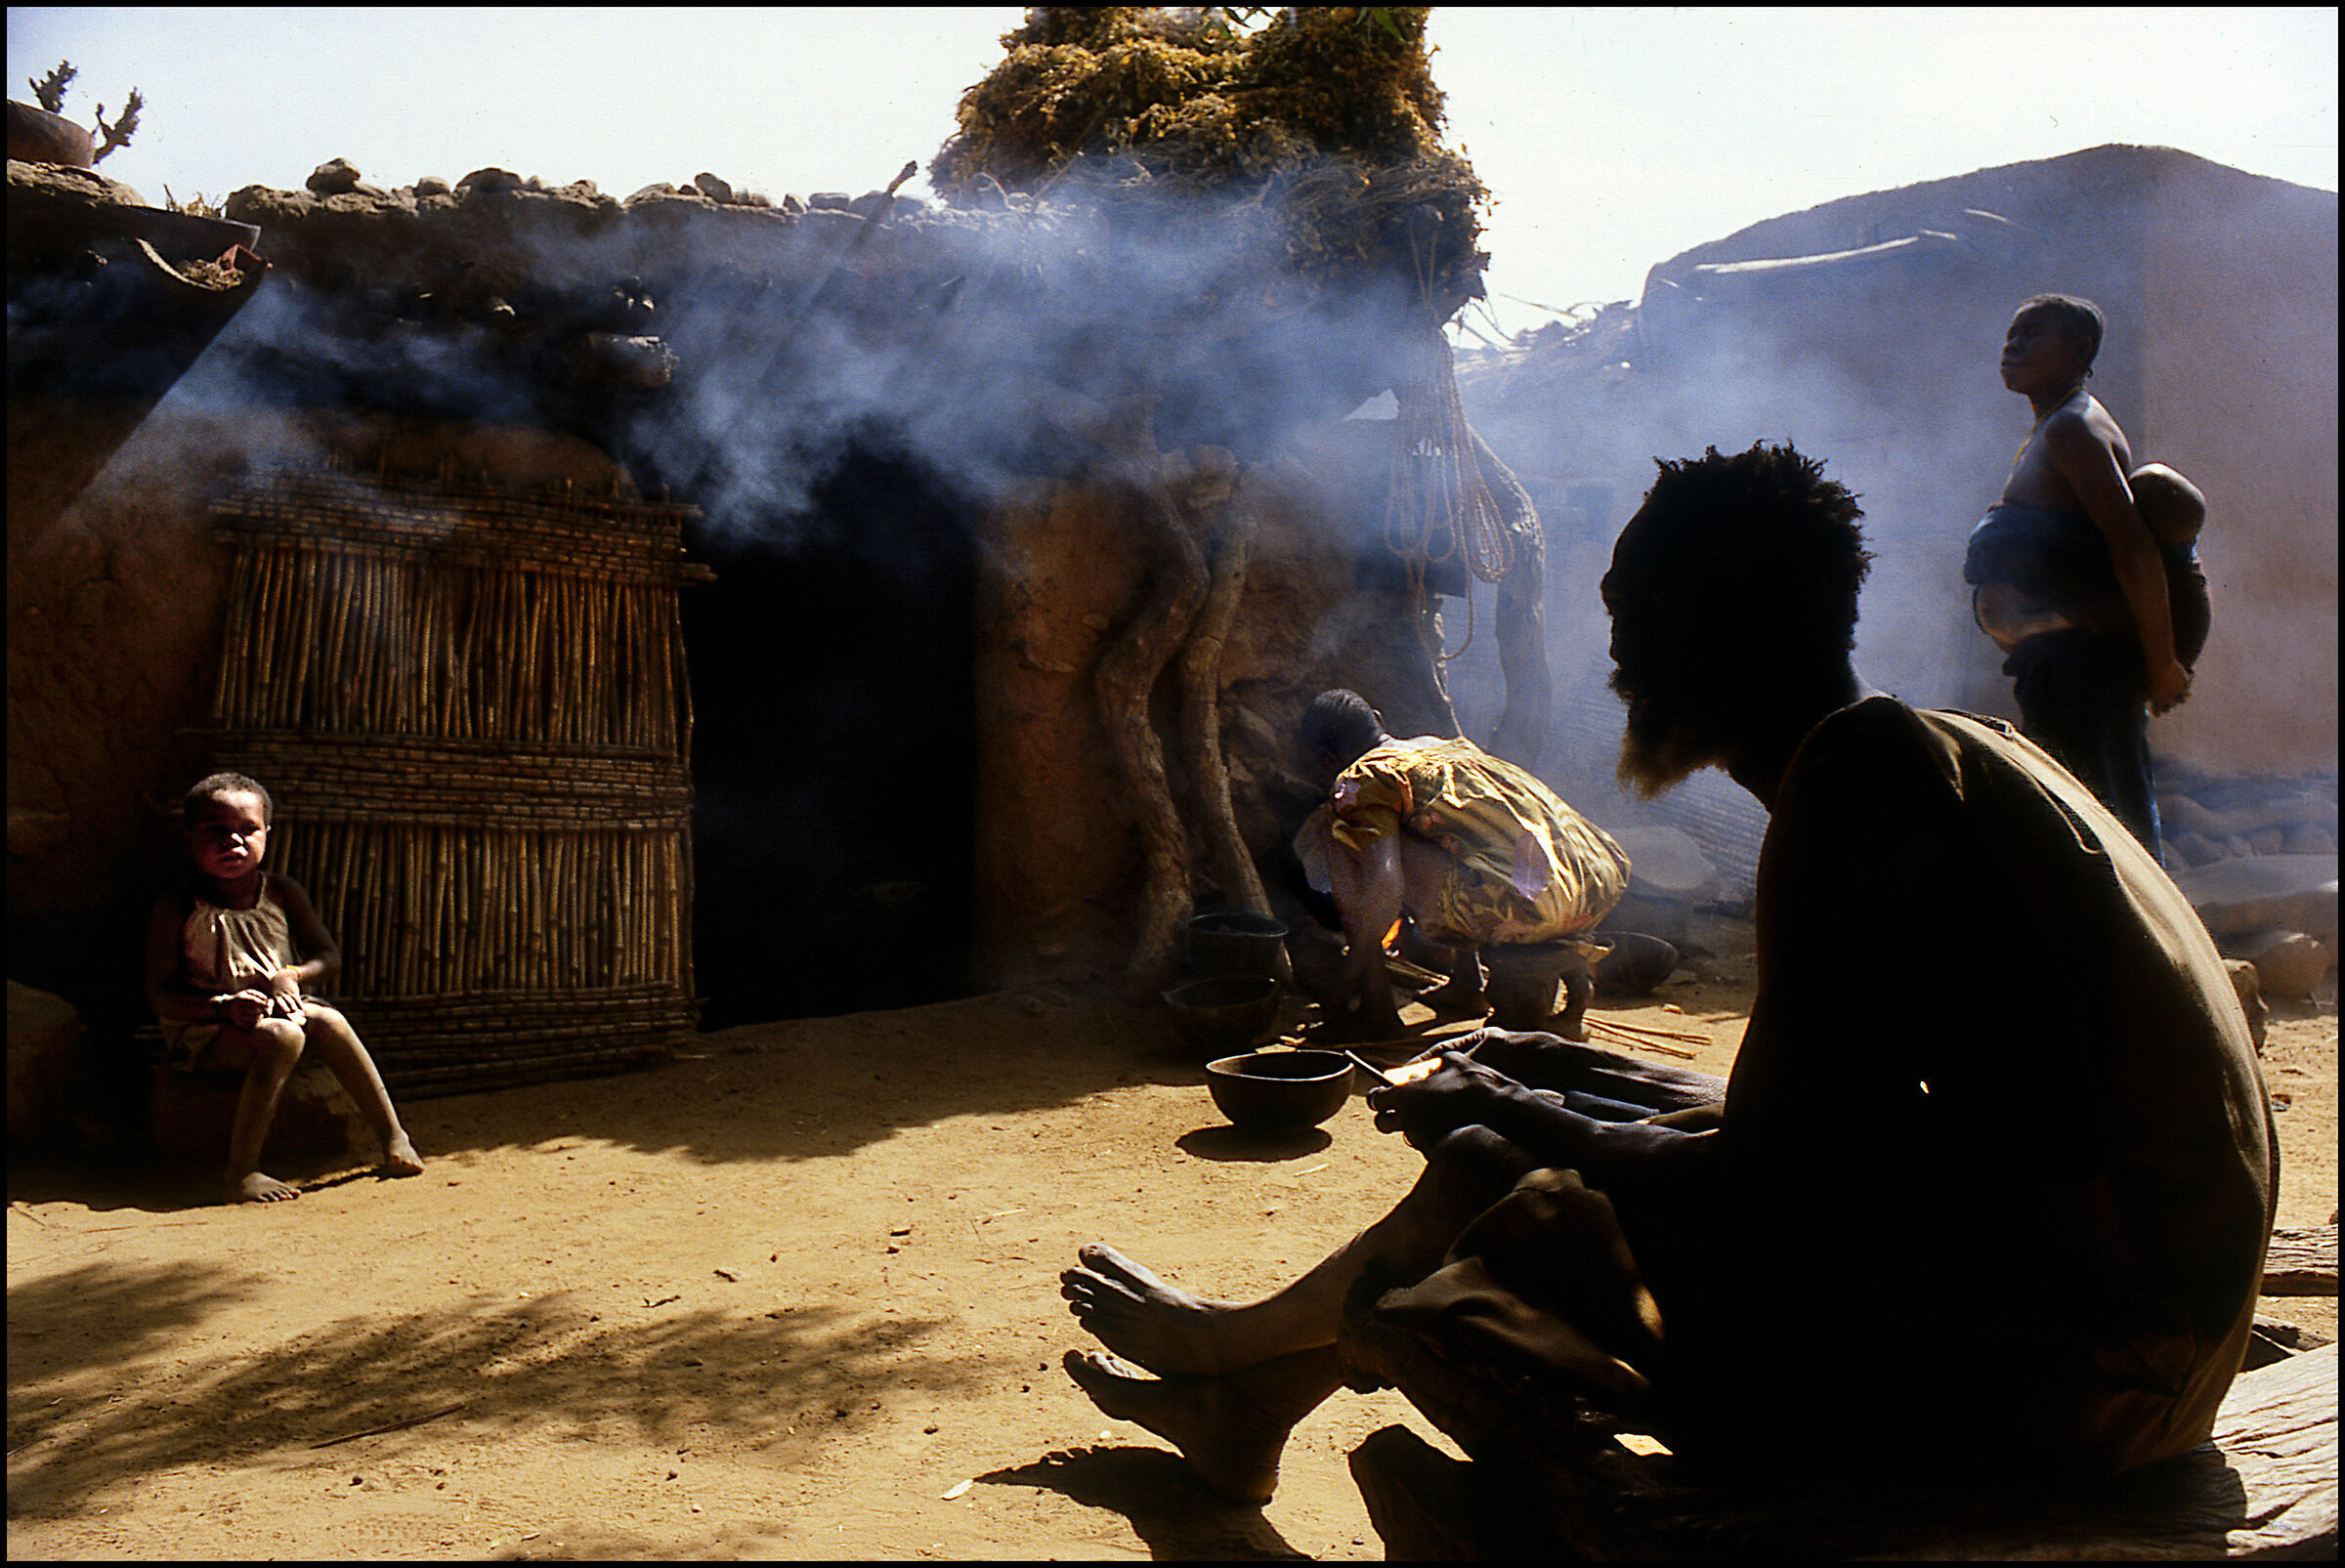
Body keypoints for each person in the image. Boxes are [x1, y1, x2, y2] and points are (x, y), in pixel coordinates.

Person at [1061, 442, 2275, 1504]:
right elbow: (1832, 1130)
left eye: (1632, 610)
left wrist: (1510, 1105)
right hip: (2130, 1331)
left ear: (1721, 625)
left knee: (1502, 1178)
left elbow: (1774, 1180)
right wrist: (1556, 1066)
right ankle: (1249, 1394)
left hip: (2086, 1387)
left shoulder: (1861, 780)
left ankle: (1243, 1365)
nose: (1617, 653)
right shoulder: (1948, 753)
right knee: (1575, 1100)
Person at [1963, 293, 2195, 854]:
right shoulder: (2056, 426)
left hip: (2085, 675)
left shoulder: (2074, 429)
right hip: (2064, 672)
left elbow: (2133, 549)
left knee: (2107, 836)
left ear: (2081, 348)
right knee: (2084, 828)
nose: (2012, 345)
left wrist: (2162, 664)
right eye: (2011, 333)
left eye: (2033, 333)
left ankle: (2140, 941)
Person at [145, 773, 425, 1203]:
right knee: (283, 1036)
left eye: (248, 831)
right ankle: (242, 1170)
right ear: (188, 838)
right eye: (215, 832)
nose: (233, 842)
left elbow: (328, 957)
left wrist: (291, 974)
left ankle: (394, 1136)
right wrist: (222, 1007)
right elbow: (159, 995)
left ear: (268, 834)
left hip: (278, 1007)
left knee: (329, 1019)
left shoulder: (280, 892)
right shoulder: (177, 907)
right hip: (207, 1030)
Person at [1292, 690, 1630, 1041]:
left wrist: (1345, 980)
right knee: (1450, 839)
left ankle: (1376, 1010)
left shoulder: (1361, 778)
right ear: (1378, 719)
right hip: (1596, 882)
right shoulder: (1446, 746)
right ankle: (1467, 984)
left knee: (1339, 830)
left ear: (1327, 758)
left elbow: (1385, 885)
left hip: (1523, 905)